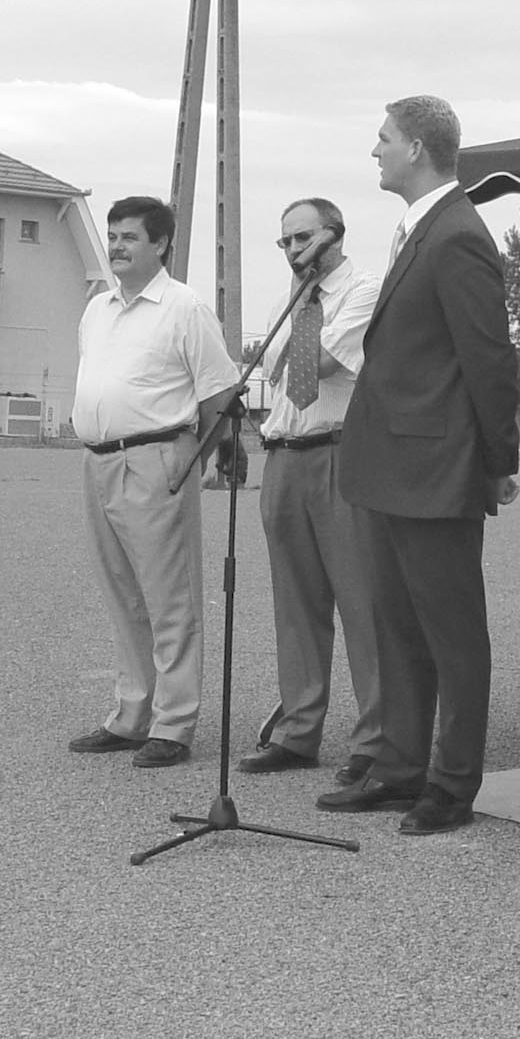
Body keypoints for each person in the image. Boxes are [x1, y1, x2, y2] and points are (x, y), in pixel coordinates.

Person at [316, 96, 520, 836]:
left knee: (451, 634)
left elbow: (488, 359)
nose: (374, 150)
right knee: (396, 625)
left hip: (436, 470)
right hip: (390, 466)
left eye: (384, 138)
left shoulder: (458, 235)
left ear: (417, 149)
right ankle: (399, 766)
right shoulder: (418, 230)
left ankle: (452, 782)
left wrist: (497, 461)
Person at [68, 196, 240, 768]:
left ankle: (174, 723)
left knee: (170, 600)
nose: (117, 246)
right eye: (113, 236)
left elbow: (219, 395)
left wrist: (197, 461)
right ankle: (131, 714)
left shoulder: (184, 308)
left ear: (161, 244)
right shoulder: (98, 309)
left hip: (156, 459)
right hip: (98, 462)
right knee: (123, 595)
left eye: (130, 237)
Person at [237, 198, 386, 786]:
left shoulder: (364, 289)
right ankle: (297, 731)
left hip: (338, 453)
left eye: (303, 238)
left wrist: (305, 311)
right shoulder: (291, 300)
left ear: (335, 234)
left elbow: (320, 362)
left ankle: (377, 740)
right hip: (283, 455)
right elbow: (268, 369)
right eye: (286, 242)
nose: (294, 251)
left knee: (361, 602)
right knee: (295, 605)